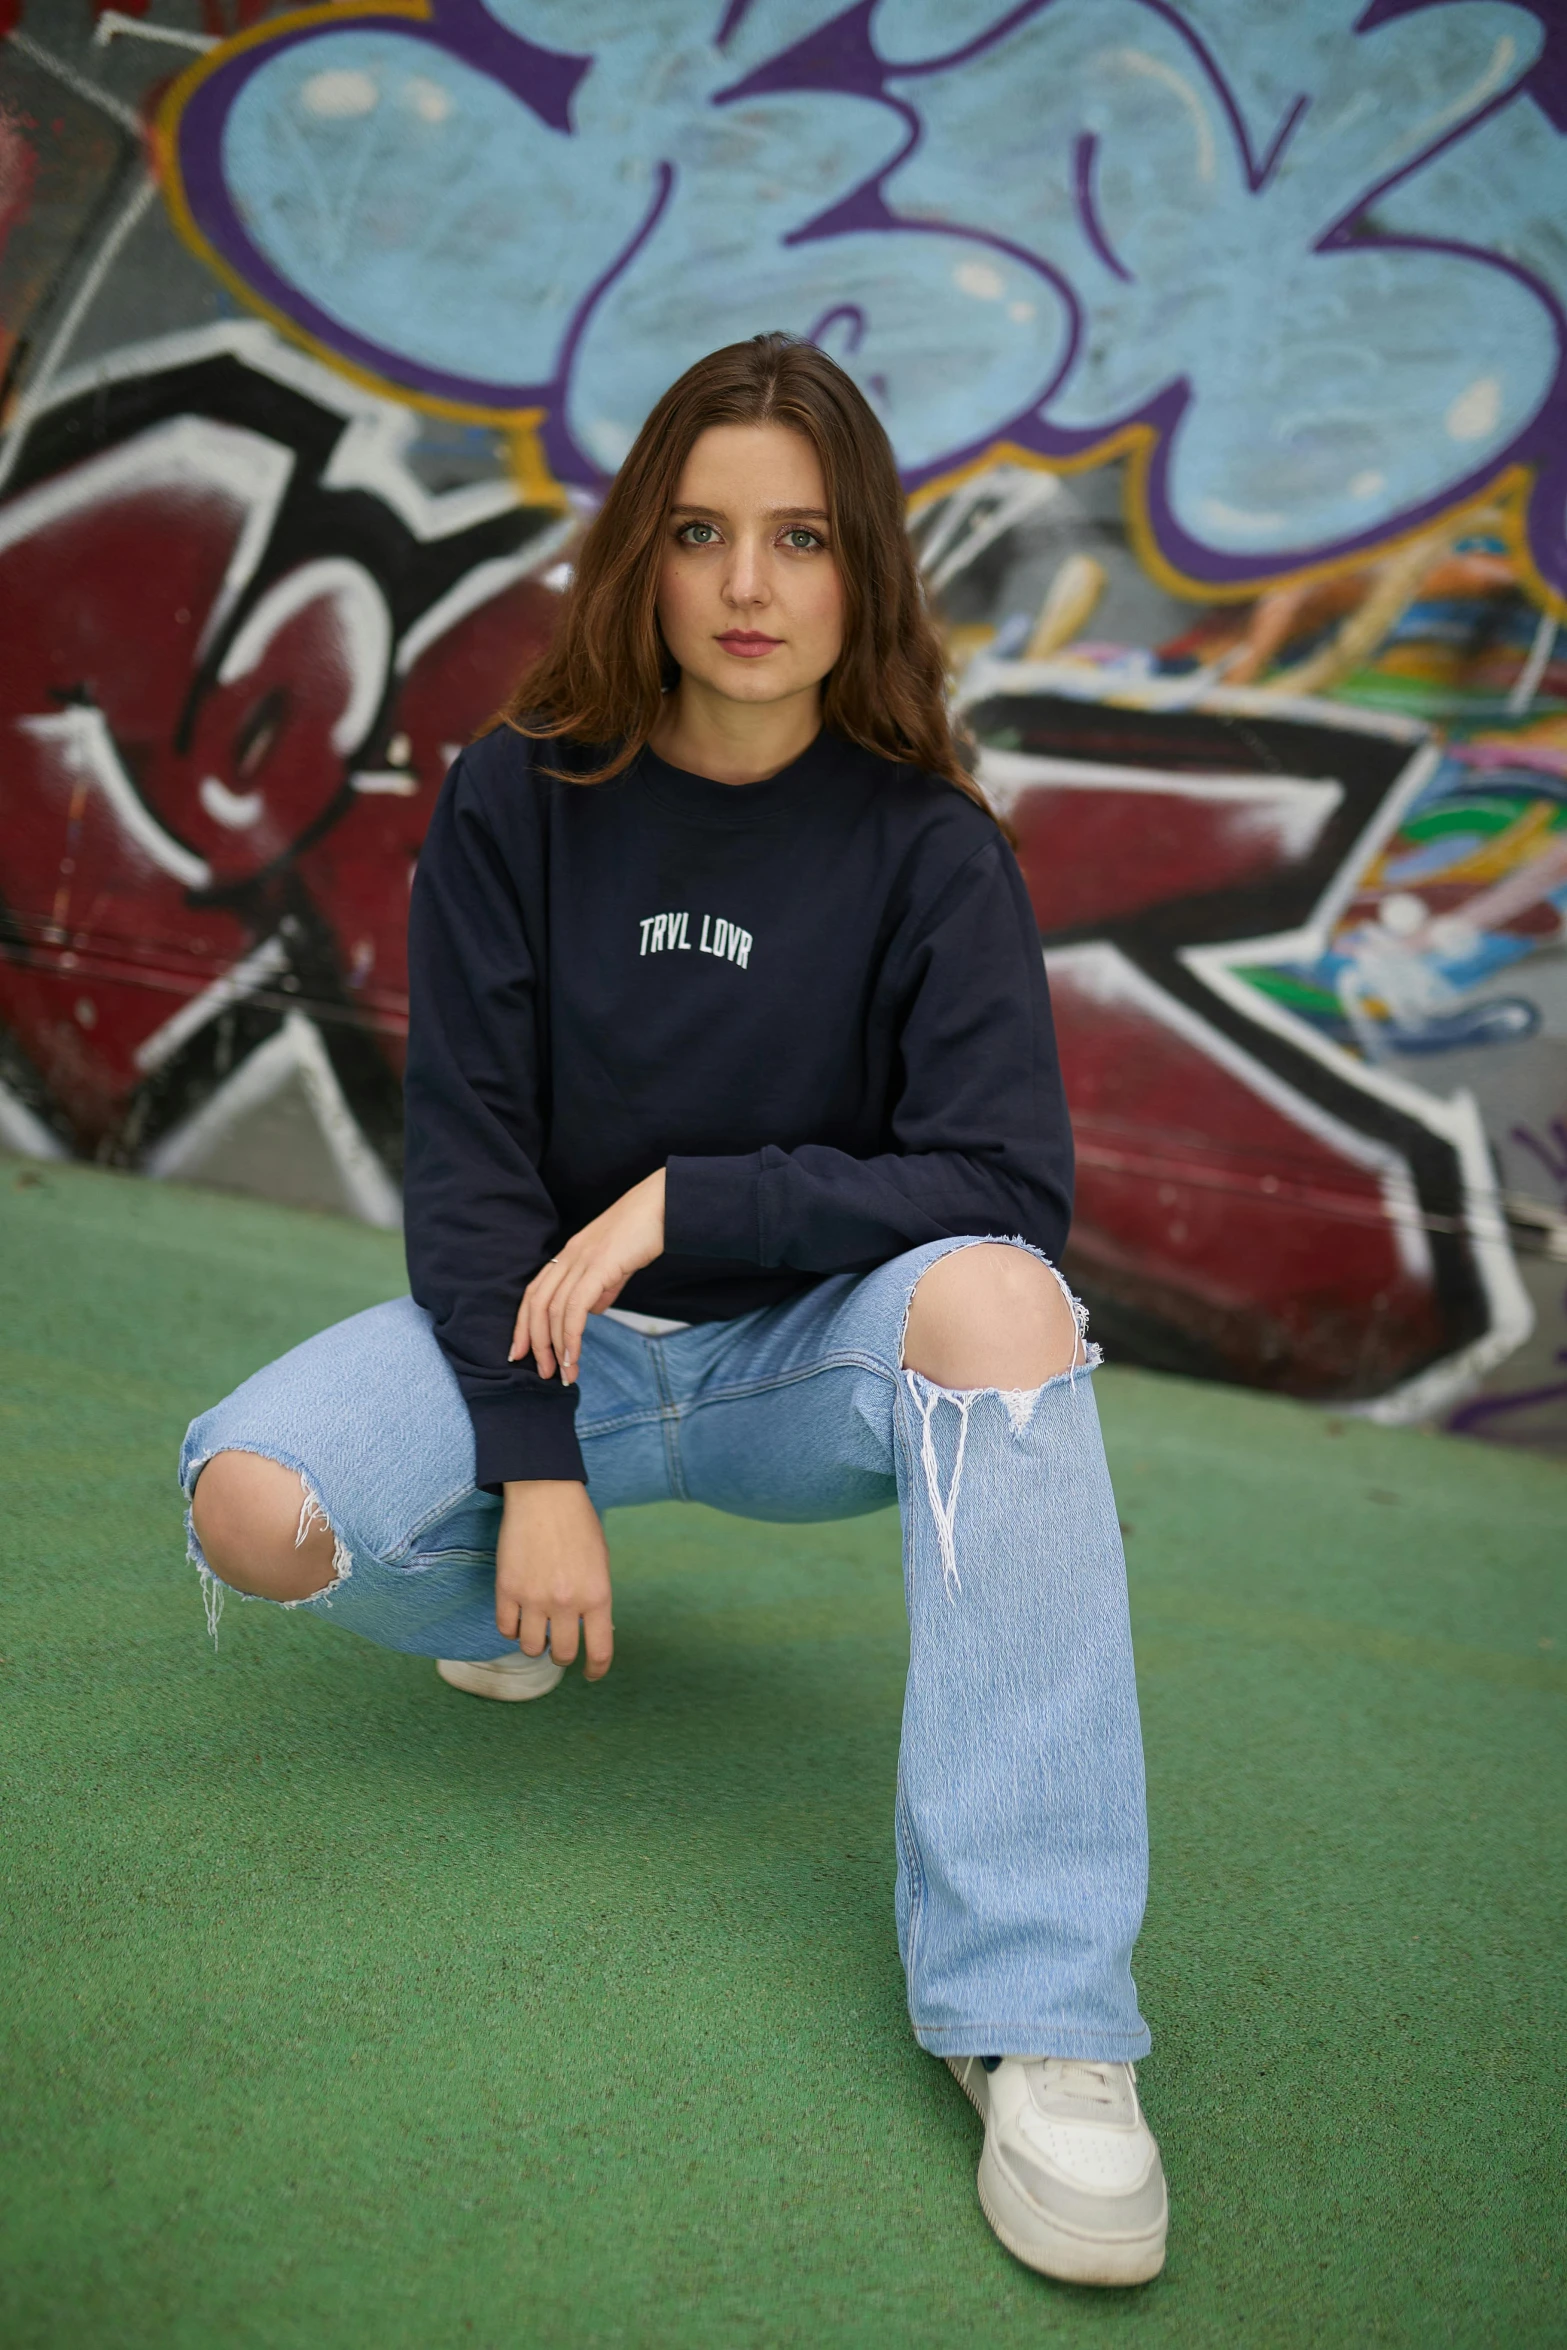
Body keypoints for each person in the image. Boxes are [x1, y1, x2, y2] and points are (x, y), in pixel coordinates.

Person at [181, 333, 1165, 2289]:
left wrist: (699, 1199)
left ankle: (1041, 2009)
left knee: (1003, 1311)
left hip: (806, 1363)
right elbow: (463, 1165)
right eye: (700, 530)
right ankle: (522, 1602)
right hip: (561, 1348)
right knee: (254, 1502)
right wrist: (534, 1462)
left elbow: (1003, 1187)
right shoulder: (517, 801)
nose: (744, 583)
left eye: (799, 537)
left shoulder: (928, 849)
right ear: (638, 551)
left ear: (862, 571)